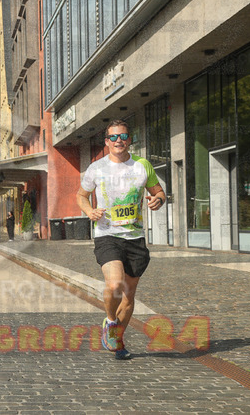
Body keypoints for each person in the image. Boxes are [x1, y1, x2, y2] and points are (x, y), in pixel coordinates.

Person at [76, 119, 166, 360]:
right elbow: (81, 196)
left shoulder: (142, 165)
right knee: (115, 285)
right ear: (107, 142)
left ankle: (117, 339)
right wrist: (89, 211)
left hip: (135, 238)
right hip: (108, 235)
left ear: (129, 140)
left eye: (123, 136)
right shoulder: (96, 168)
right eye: (114, 137)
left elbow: (158, 191)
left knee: (128, 296)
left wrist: (158, 199)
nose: (119, 141)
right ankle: (110, 321)